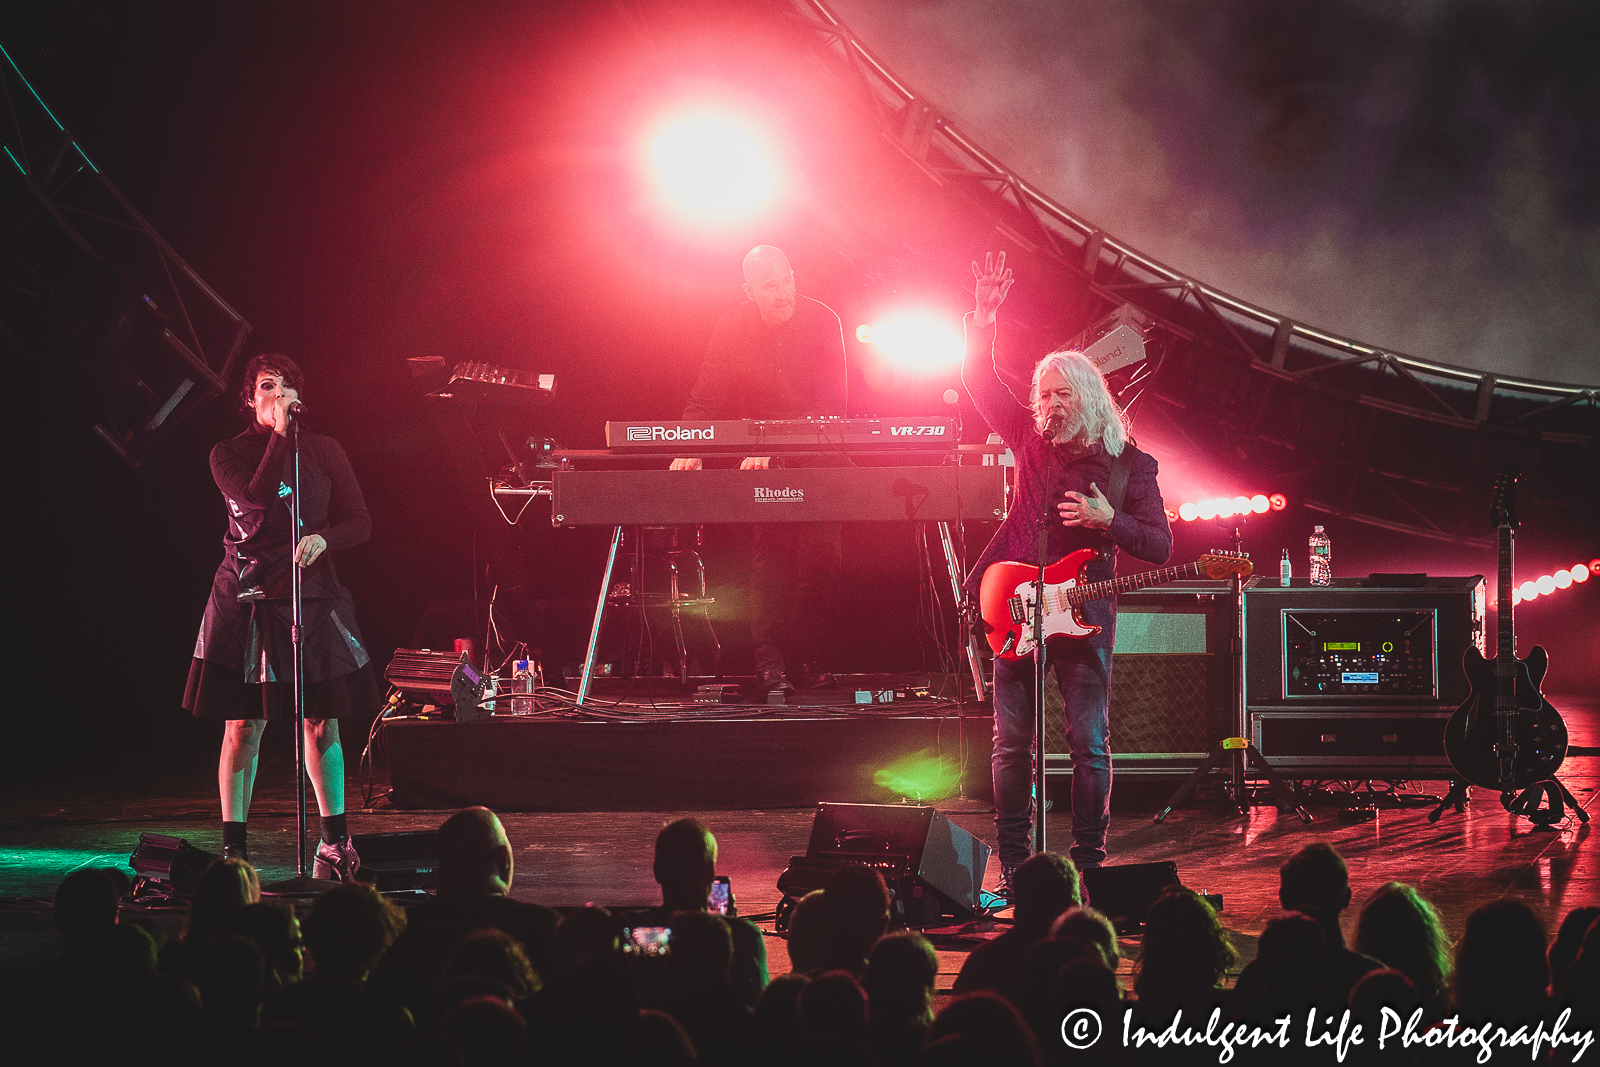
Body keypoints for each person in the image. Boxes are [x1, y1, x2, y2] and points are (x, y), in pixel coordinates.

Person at [963, 252, 1173, 887]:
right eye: (1043, 394)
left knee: (1088, 743)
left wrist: (1110, 521)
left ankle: (1087, 867)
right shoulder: (1030, 444)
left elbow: (1160, 546)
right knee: (1009, 745)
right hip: (1018, 604)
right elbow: (981, 380)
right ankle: (1017, 866)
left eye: (1061, 394)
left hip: (1084, 615)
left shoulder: (1130, 466)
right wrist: (983, 317)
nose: (1048, 404)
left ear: (1088, 398)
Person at [182, 353, 376, 878]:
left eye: (288, 386)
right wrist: (280, 437)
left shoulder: (325, 450)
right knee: (244, 725)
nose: (279, 394)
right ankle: (234, 854)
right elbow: (256, 495)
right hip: (246, 597)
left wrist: (324, 537)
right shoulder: (227, 453)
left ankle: (333, 842)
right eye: (268, 386)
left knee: (320, 722)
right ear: (250, 399)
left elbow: (360, 521)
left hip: (310, 597)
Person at [670, 245, 848, 694]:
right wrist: (690, 443)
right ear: (749, 290)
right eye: (771, 287)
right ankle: (770, 665)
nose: (784, 293)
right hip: (760, 458)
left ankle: (805, 658)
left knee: (823, 561)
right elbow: (707, 392)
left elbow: (831, 406)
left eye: (787, 280)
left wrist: (779, 449)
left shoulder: (823, 320)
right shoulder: (732, 326)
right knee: (770, 562)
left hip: (816, 456)